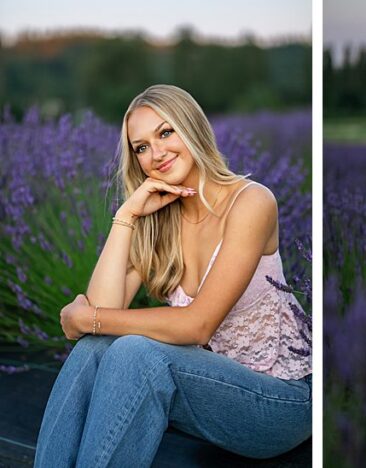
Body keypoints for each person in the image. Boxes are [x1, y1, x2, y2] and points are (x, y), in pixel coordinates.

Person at [34, 84, 312, 467]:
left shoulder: (251, 202)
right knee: (94, 349)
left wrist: (89, 319)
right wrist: (127, 216)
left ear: (192, 127)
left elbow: (198, 325)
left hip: (280, 402)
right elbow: (101, 310)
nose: (157, 154)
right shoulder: (159, 220)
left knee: (137, 353)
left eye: (165, 133)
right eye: (141, 147)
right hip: (207, 394)